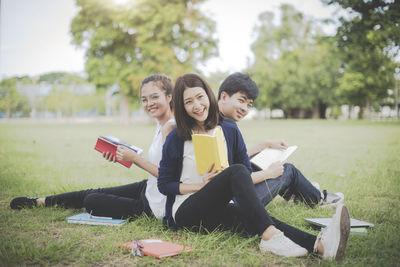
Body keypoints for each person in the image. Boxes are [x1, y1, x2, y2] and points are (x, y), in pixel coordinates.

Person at [157, 73, 350, 259]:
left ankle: (321, 246)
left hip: (217, 207)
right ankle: (269, 239)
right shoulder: (177, 138)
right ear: (182, 107)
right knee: (237, 172)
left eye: (200, 97)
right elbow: (164, 184)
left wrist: (223, 179)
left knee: (258, 218)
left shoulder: (230, 130)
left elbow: (246, 174)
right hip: (185, 212)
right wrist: (200, 186)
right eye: (188, 102)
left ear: (209, 96)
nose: (197, 105)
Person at [10, 74, 175, 220]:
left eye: (154, 97)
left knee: (92, 200)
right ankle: (40, 202)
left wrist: (135, 158)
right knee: (92, 192)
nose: (149, 104)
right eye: (144, 99)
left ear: (169, 97)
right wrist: (125, 155)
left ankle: (42, 202)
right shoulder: (161, 123)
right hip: (149, 188)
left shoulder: (172, 128)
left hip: (155, 207)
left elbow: (170, 177)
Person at [217, 72, 344, 208]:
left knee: (259, 158)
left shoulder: (216, 120)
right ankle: (317, 199)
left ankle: (298, 193)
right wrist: (269, 173)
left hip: (228, 194)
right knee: (287, 170)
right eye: (241, 101)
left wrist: (265, 144)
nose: (245, 109)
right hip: (237, 203)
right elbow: (233, 178)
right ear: (224, 96)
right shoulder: (228, 127)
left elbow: (230, 161)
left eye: (249, 105)